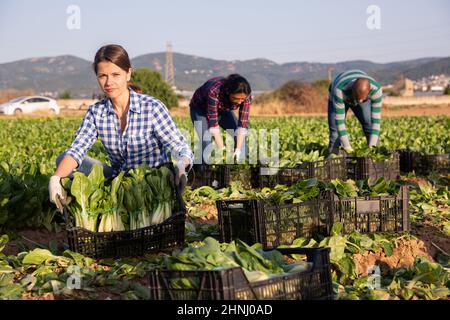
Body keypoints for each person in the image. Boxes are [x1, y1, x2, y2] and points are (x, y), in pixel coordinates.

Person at [49, 44, 193, 212]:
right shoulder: (96, 112)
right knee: (63, 160)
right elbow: (77, 148)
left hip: (153, 182)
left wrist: (181, 166)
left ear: (128, 74)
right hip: (118, 180)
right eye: (102, 76)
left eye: (115, 74)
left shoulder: (152, 107)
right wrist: (55, 178)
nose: (109, 82)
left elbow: (180, 147)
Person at [189, 74, 252, 164]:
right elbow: (214, 126)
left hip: (223, 109)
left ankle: (238, 167)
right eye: (236, 98)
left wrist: (238, 150)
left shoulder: (246, 96)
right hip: (200, 110)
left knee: (240, 137)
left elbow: (242, 125)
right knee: (207, 141)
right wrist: (222, 150)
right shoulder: (214, 92)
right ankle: (205, 172)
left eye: (242, 99)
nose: (239, 102)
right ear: (228, 92)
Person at [327, 70, 383, 155]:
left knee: (369, 124)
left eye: (362, 100)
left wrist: (372, 147)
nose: (359, 102)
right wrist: (347, 147)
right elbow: (339, 122)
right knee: (334, 132)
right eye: (358, 99)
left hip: (359, 93)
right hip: (339, 94)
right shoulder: (339, 90)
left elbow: (376, 122)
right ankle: (334, 158)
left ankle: (374, 157)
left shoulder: (376, 91)